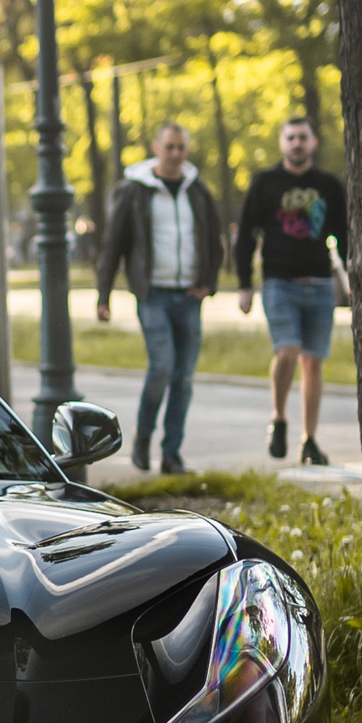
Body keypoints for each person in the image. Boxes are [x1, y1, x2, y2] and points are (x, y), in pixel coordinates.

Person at [95, 123, 223, 474]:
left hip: (189, 295)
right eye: (170, 147)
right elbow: (113, 243)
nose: (176, 154)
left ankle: (171, 453)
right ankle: (143, 437)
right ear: (156, 147)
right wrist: (103, 294)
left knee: (184, 377)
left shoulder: (198, 191)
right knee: (162, 366)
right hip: (152, 295)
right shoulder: (135, 191)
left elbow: (214, 238)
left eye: (182, 147)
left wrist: (208, 283)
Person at [234, 116, 348, 467]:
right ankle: (279, 417)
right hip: (278, 283)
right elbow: (245, 237)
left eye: (303, 137)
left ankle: (309, 440)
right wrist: (244, 285)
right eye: (291, 138)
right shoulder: (265, 183)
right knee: (288, 351)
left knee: (313, 362)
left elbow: (344, 234)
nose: (297, 143)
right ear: (282, 143)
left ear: (313, 143)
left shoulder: (329, 185)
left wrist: (350, 276)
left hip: (319, 284)